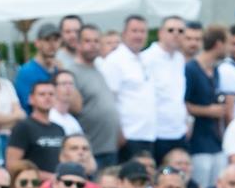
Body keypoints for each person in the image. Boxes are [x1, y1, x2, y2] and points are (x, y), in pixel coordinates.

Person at [62, 24, 120, 169]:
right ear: (78, 44)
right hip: (91, 150)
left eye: (96, 41)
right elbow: (74, 107)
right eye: (88, 41)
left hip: (110, 147)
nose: (93, 45)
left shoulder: (100, 68)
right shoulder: (71, 71)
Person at [103, 15, 156, 162]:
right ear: (124, 33)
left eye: (142, 31)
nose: (139, 35)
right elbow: (110, 100)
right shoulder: (115, 61)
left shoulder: (145, 59)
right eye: (134, 31)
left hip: (148, 134)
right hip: (128, 136)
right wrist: (119, 133)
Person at [184, 25, 228, 188]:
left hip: (215, 138)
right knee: (201, 185)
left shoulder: (215, 70)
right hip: (198, 140)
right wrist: (208, 111)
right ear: (218, 44)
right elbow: (184, 103)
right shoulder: (191, 69)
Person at [142, 15, 188, 162]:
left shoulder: (179, 59)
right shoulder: (146, 58)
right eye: (171, 30)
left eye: (181, 31)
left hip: (179, 131)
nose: (176, 34)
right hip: (157, 133)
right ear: (160, 32)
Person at [6, 81, 66, 177]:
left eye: (51, 94)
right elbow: (12, 165)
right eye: (42, 94)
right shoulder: (23, 127)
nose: (47, 97)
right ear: (31, 99)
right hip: (32, 186)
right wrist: (48, 177)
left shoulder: (59, 129)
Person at [15, 22, 61, 113]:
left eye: (55, 40)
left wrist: (61, 72)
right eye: (47, 40)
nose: (52, 44)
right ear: (37, 43)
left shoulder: (59, 70)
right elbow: (28, 105)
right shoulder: (26, 72)